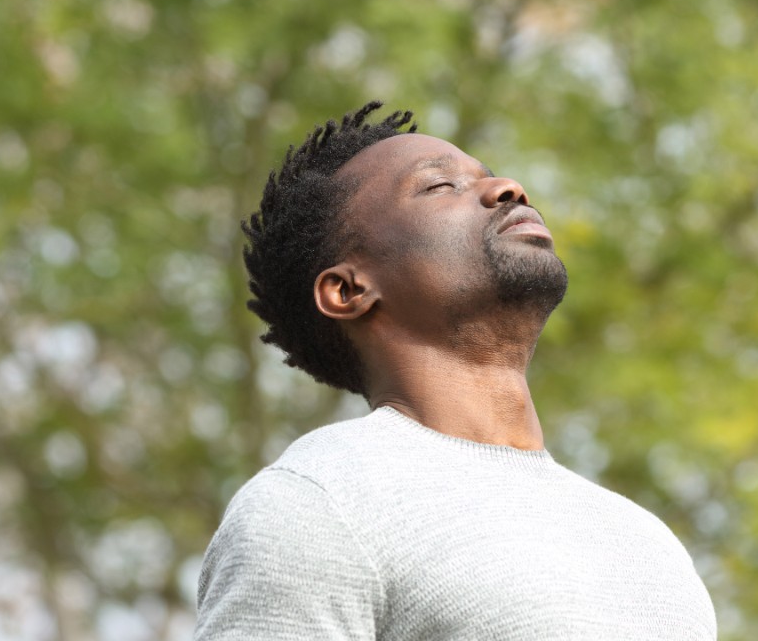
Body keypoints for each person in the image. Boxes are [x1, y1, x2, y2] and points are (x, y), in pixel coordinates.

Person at [193, 101, 717, 640]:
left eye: (489, 177)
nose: (508, 188)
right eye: (439, 187)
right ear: (349, 289)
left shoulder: (644, 541)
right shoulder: (318, 502)